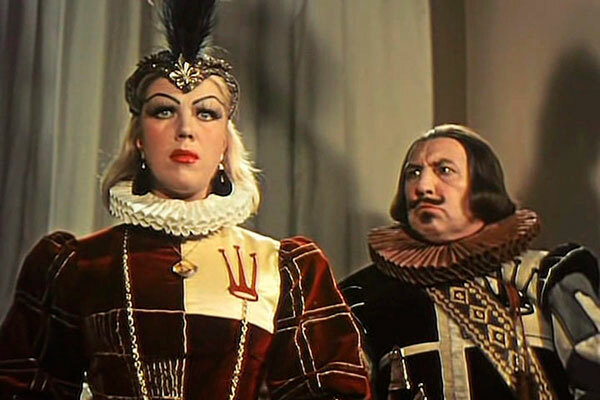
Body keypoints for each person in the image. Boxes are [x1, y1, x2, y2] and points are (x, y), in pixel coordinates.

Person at [0, 1, 371, 399]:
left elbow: (331, 391)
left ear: (226, 140)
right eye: (164, 111)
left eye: (206, 113)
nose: (185, 129)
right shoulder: (77, 266)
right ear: (138, 138)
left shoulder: (283, 270)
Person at [340, 124, 600, 399]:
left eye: (444, 170)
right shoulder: (364, 295)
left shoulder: (546, 275)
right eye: (413, 173)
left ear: (482, 185)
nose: (423, 187)